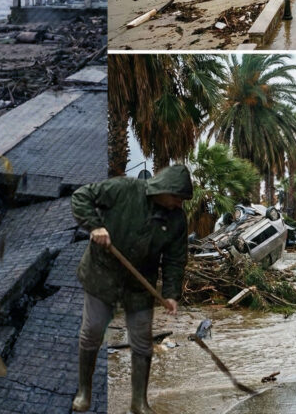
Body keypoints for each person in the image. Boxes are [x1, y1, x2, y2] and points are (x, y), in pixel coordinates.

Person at [70, 164, 191, 414]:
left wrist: (170, 294)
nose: (179, 203)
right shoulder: (124, 189)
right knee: (92, 331)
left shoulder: (177, 219)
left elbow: (174, 259)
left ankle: (139, 402)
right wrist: (95, 226)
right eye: (177, 197)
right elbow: (81, 196)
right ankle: (84, 391)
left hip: (139, 284)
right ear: (164, 189)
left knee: (142, 342)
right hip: (101, 274)